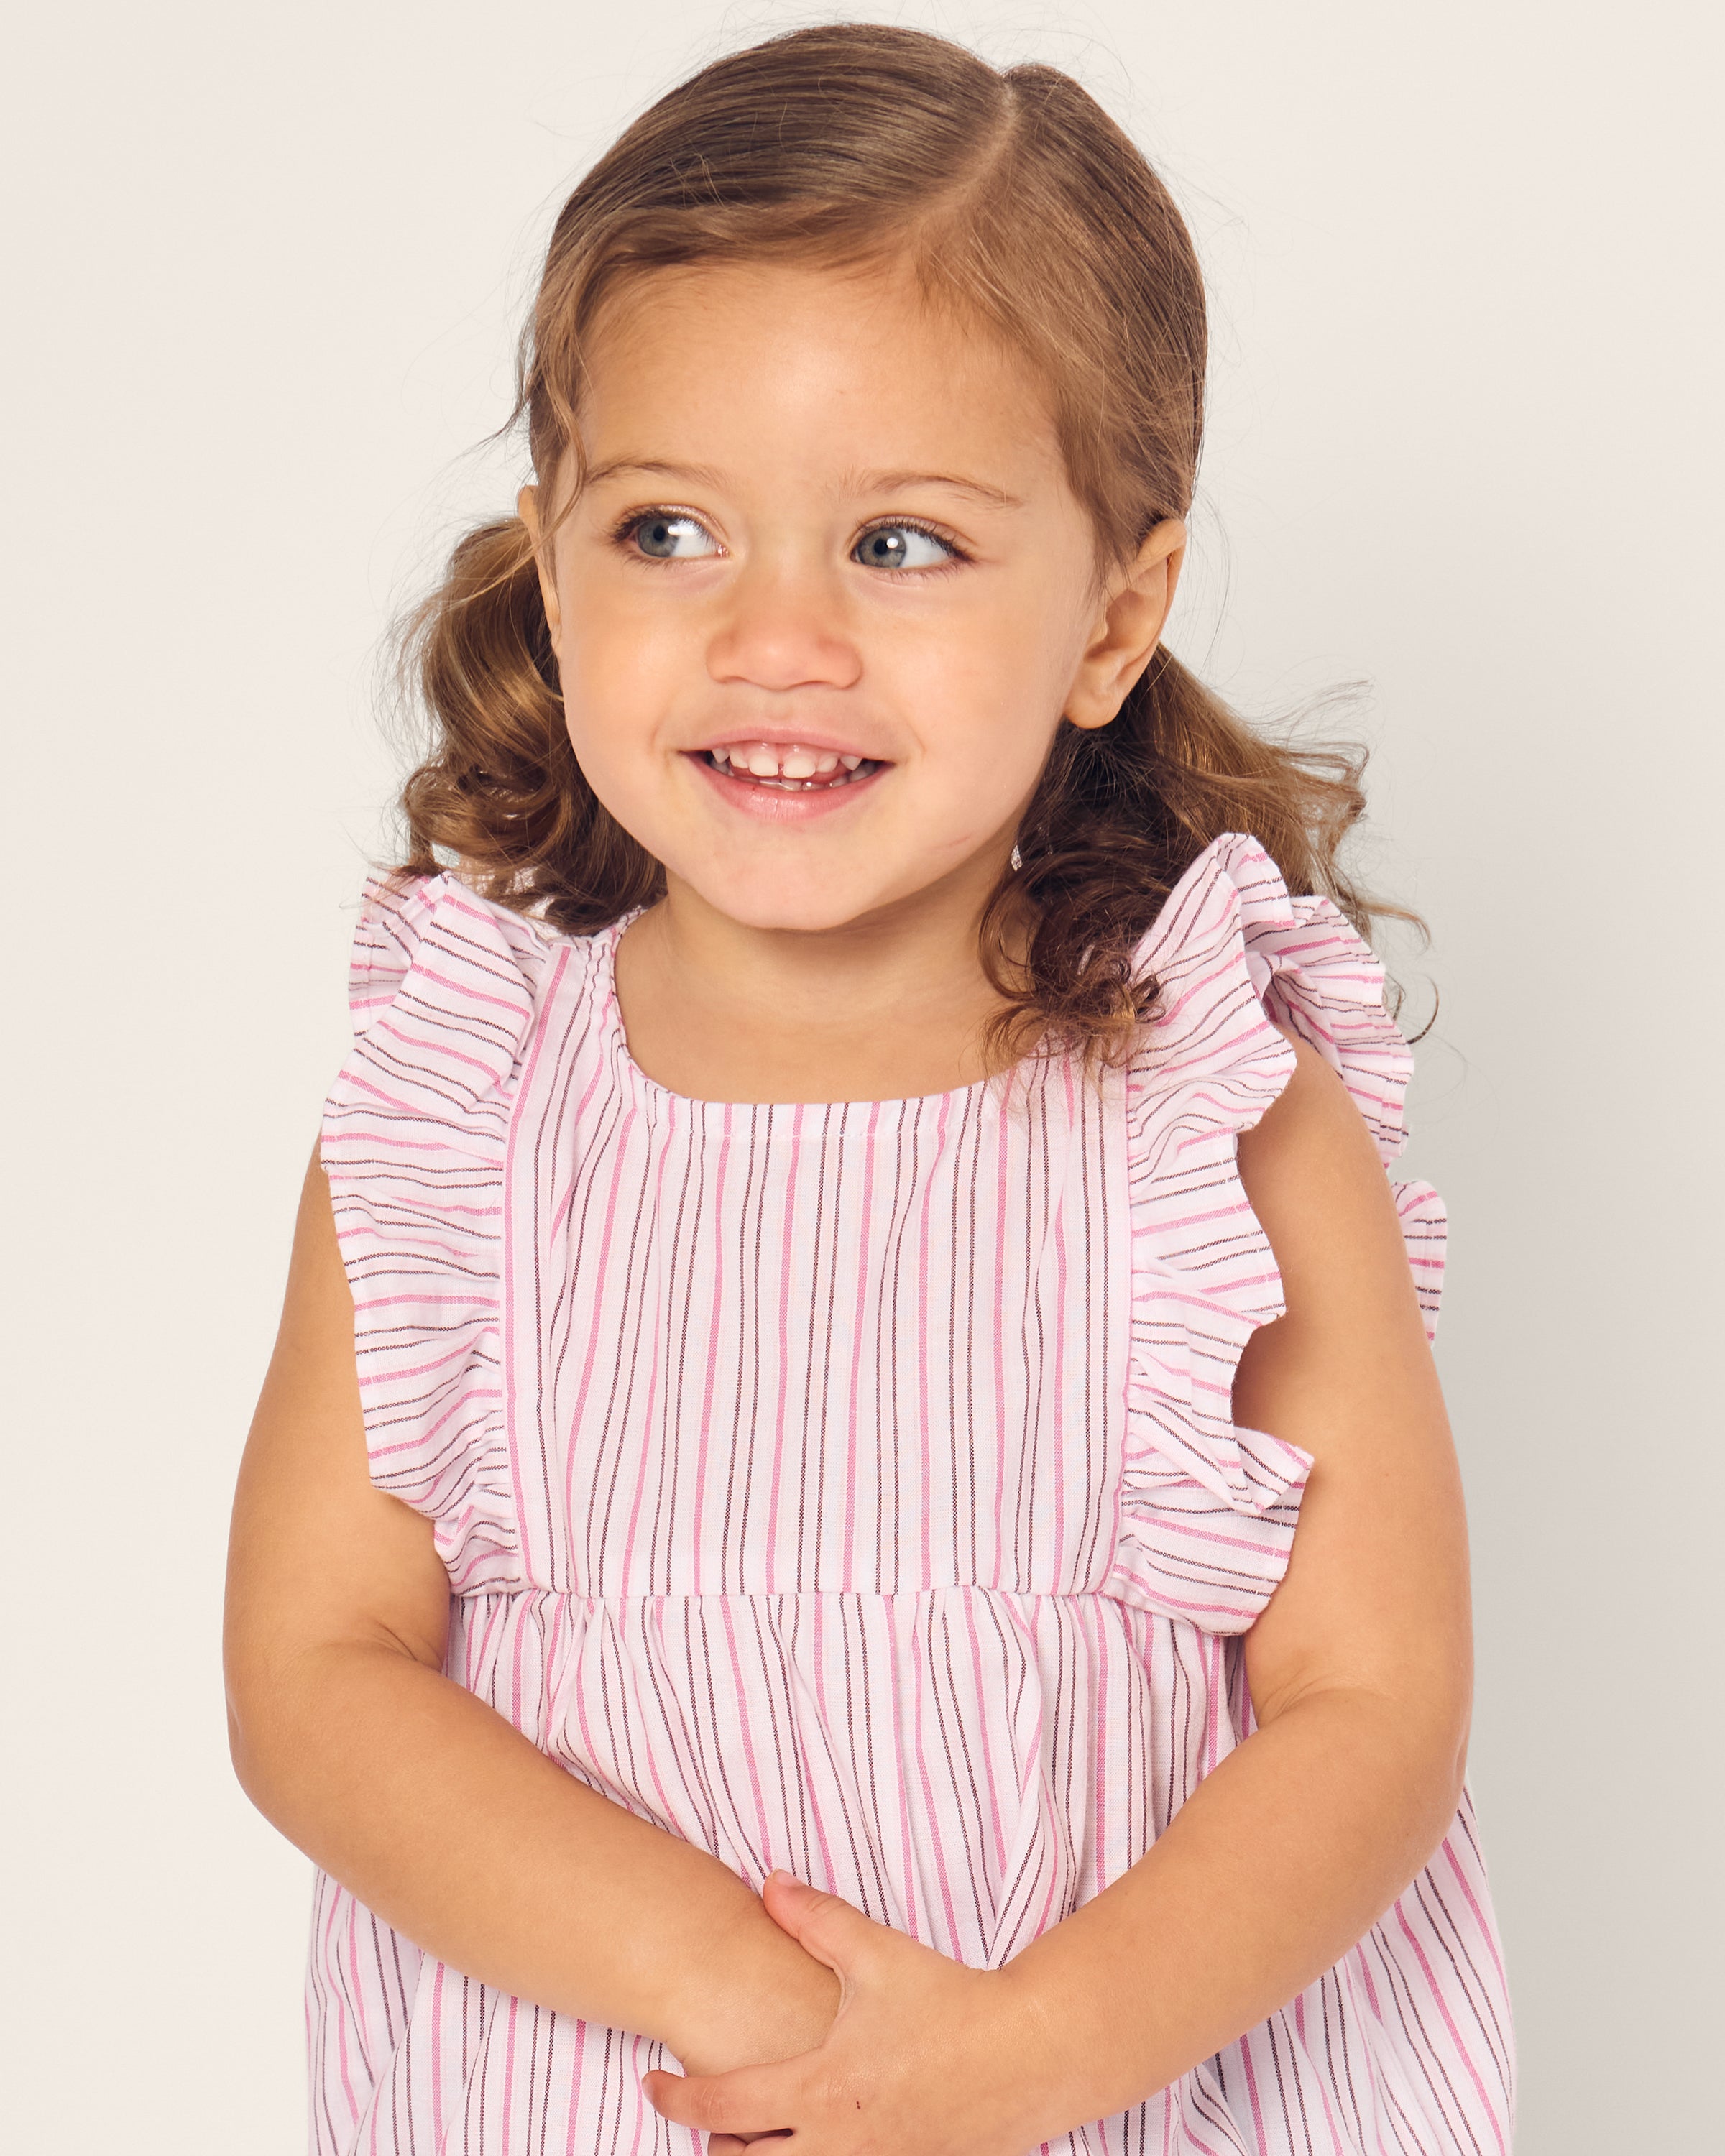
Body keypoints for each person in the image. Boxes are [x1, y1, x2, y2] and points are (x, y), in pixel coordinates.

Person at [224, 22, 1514, 2156]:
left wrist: (1020, 2059)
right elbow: (318, 1672)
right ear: (550, 553)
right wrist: (773, 2010)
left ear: (1115, 615)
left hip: (1108, 2096)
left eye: (901, 547)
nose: (776, 638)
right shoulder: (466, 1106)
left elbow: (1373, 1708)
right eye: (667, 531)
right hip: (609, 2088)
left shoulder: (1213, 1108)